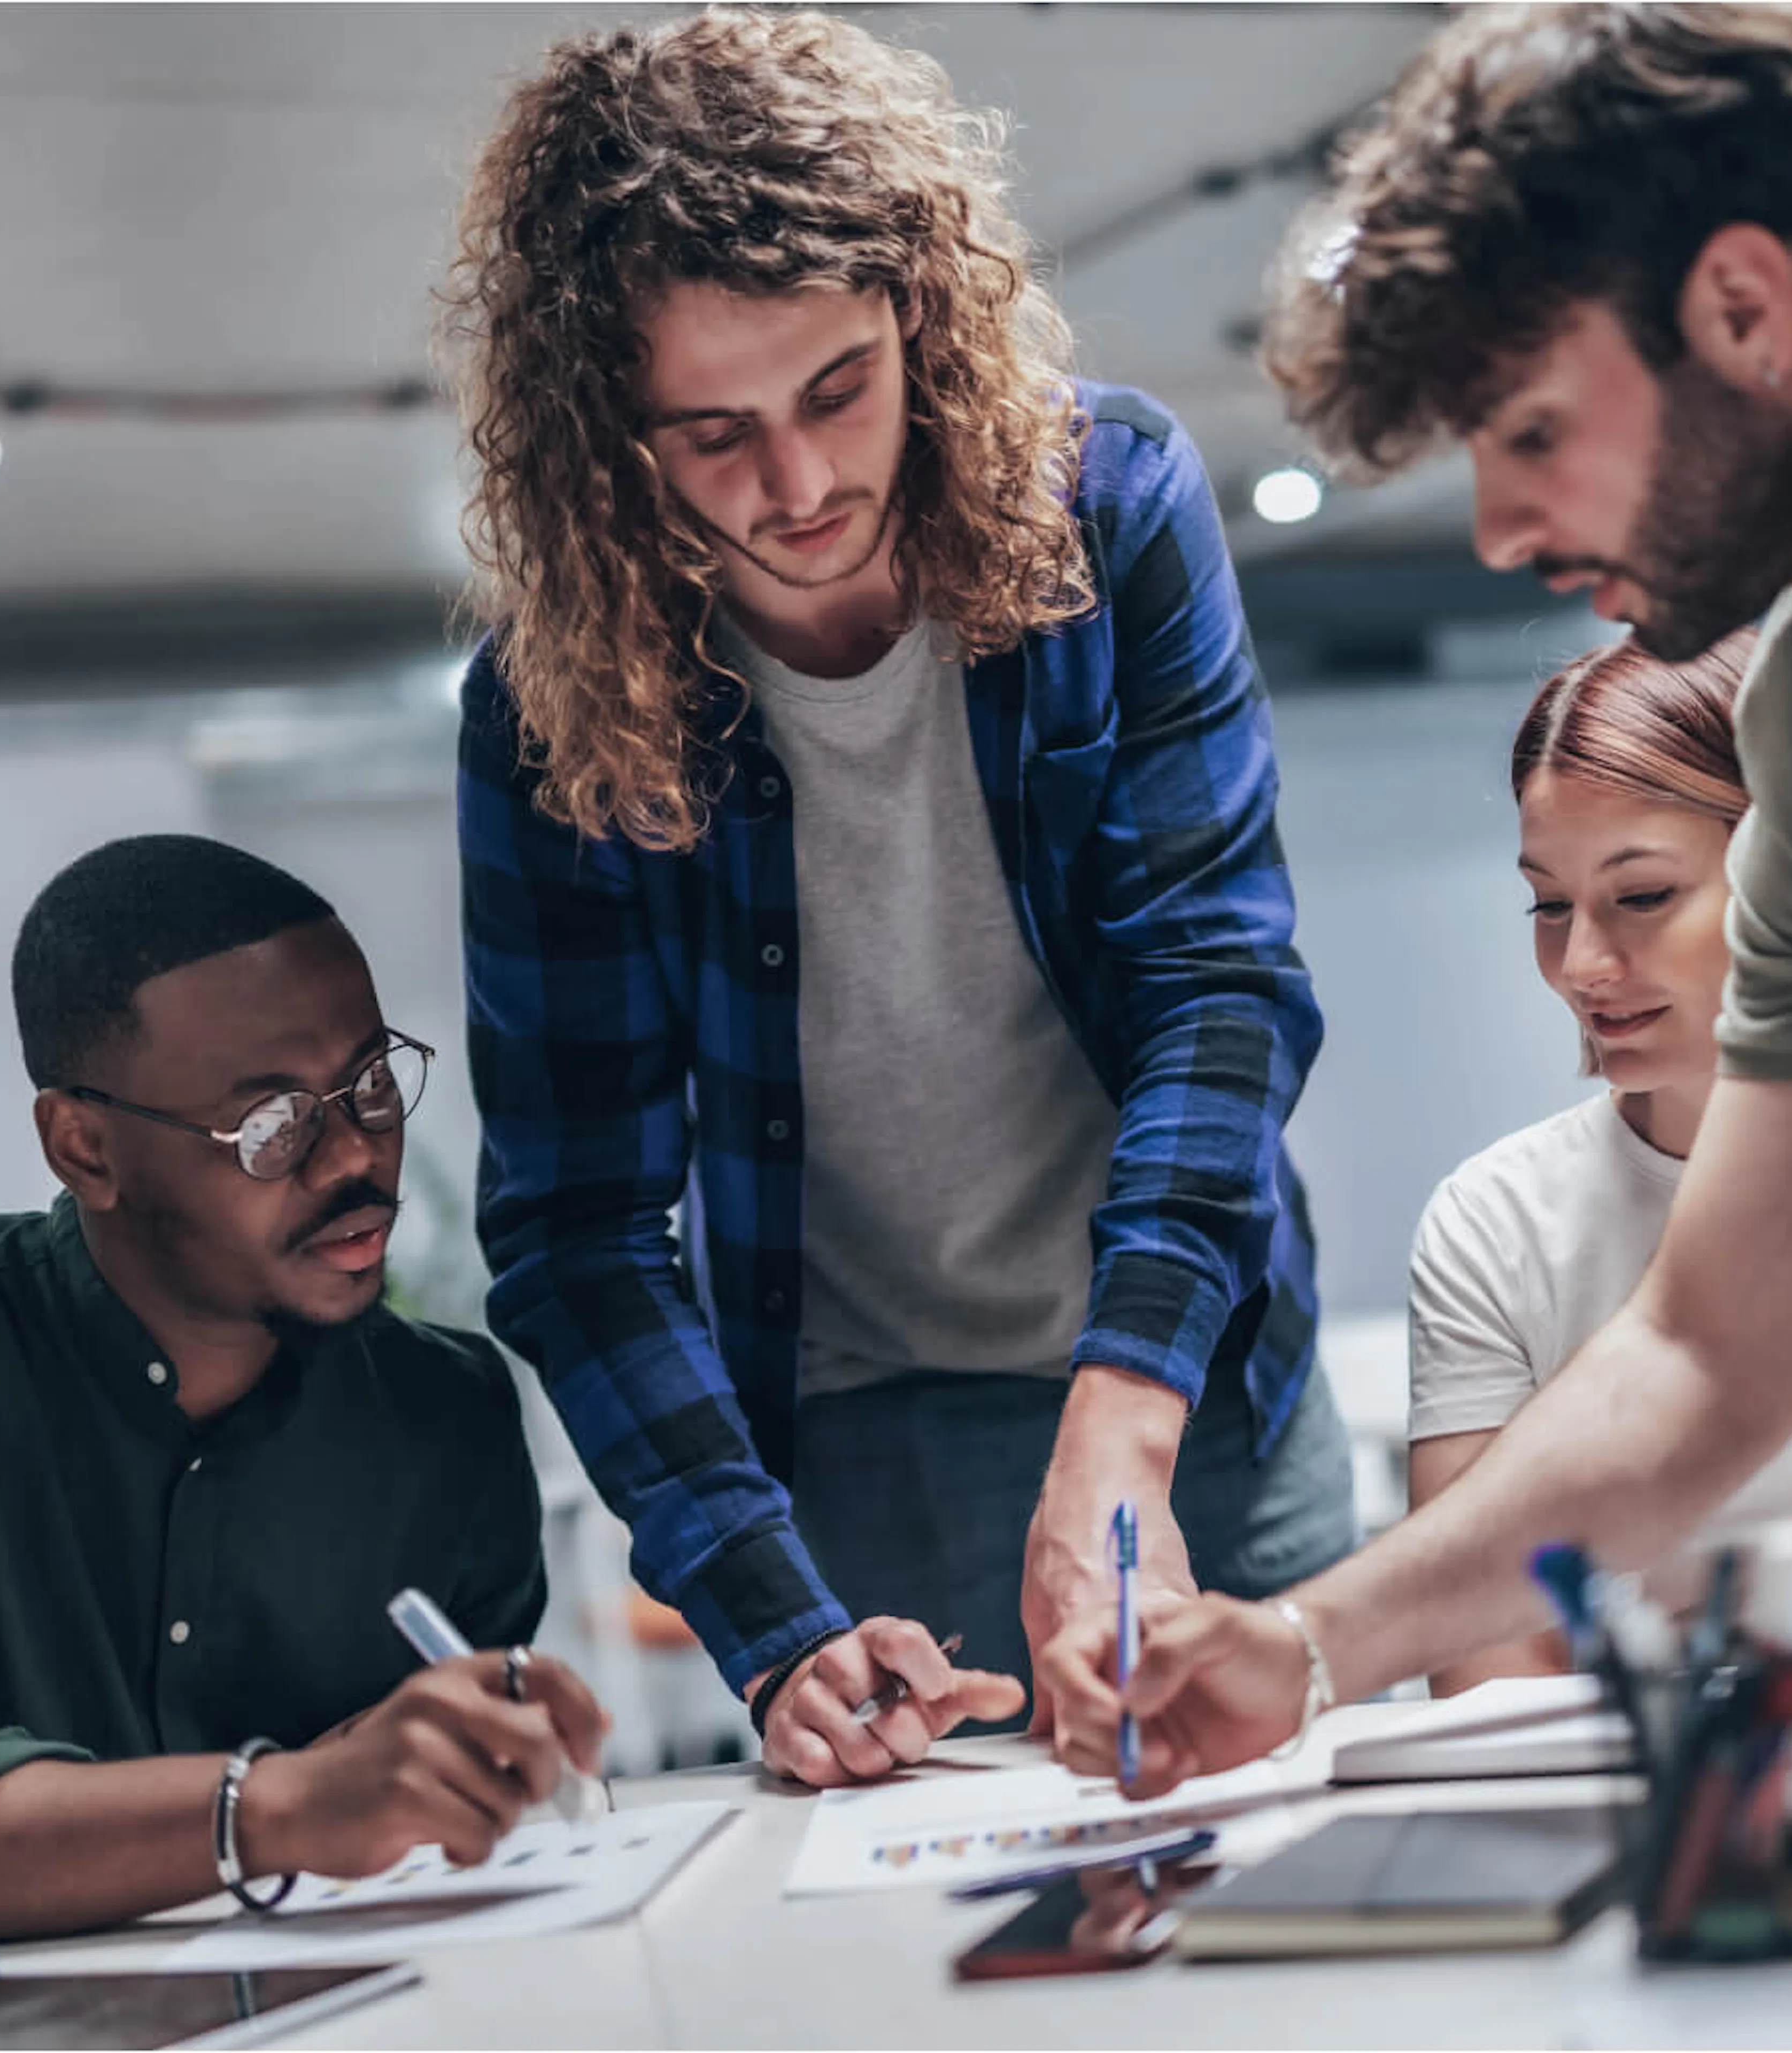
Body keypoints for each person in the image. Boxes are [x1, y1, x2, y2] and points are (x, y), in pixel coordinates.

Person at [445, 7, 1354, 1789]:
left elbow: (1218, 985)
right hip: (849, 1435)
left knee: (1307, 1896)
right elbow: (580, 1222)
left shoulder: (1110, 511)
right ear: (606, 437)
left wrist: (1126, 1421)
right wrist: (776, 1626)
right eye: (711, 435)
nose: (793, 490)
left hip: (1189, 1379)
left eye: (836, 393)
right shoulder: (548, 708)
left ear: (922, 327)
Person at [1039, 2, 1792, 1806]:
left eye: (1532, 428)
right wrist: (1312, 1647)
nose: (1502, 534)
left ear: (1747, 311)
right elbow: (1702, 1349)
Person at [0, 835, 605, 1941]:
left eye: (370, 1084)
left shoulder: (446, 1417)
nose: (353, 1160)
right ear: (84, 1149)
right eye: (271, 1125)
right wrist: (275, 1807)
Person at [1409, 630, 1792, 1696]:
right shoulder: (1496, 1220)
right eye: (1549, 905)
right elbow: (1478, 1657)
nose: (1582, 965)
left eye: (1641, 896)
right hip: (1637, 1820)